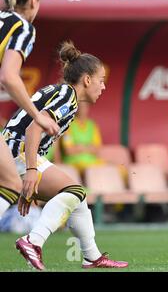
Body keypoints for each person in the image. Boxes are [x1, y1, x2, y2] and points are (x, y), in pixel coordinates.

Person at [1, 41, 128, 270]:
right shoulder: (67, 97)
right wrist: (30, 171)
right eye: (101, 81)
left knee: (77, 198)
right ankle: (33, 241)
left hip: (12, 149)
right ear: (87, 80)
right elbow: (33, 129)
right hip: (15, 150)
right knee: (75, 191)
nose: (103, 87)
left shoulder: (63, 94)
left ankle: (92, 256)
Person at [0, 0, 59, 222]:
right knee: (12, 182)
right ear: (34, 0)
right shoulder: (22, 27)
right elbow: (9, 77)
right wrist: (38, 116)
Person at [60, 102, 105, 175]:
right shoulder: (68, 125)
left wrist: (79, 147)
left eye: (85, 107)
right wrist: (89, 147)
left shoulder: (92, 125)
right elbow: (68, 150)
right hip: (74, 163)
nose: (82, 109)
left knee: (113, 169)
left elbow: (98, 149)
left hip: (92, 162)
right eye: (80, 107)